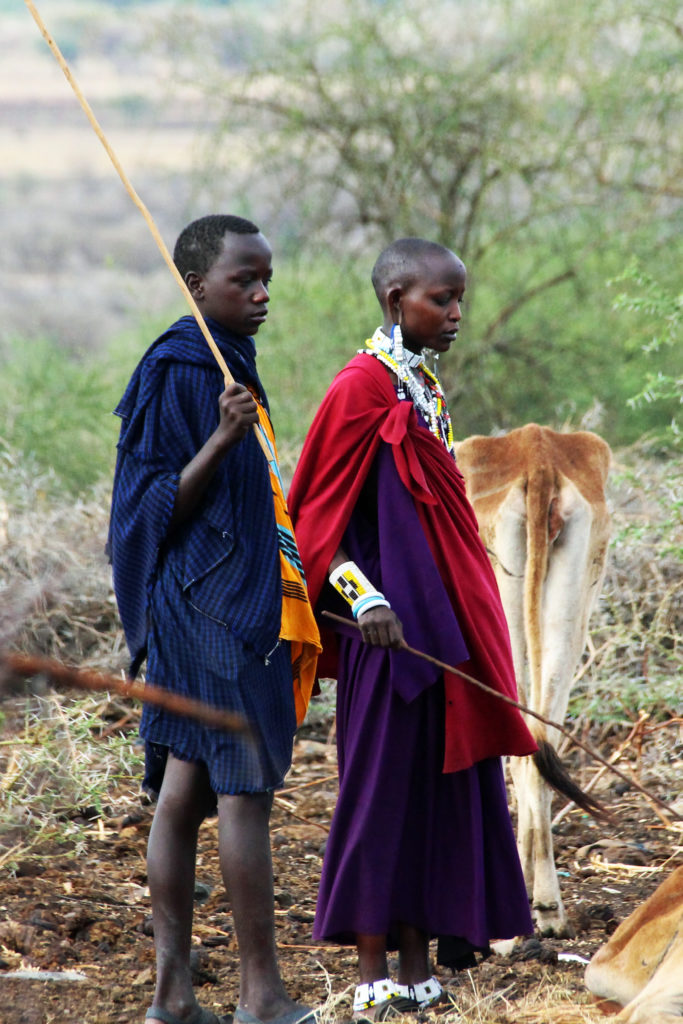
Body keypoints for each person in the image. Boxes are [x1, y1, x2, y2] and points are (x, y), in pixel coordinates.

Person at [288, 238, 537, 1020]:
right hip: (383, 640)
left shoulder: (419, 384)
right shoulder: (357, 390)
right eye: (441, 300)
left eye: (459, 298)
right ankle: (369, 965)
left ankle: (419, 960)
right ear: (397, 299)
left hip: (439, 630)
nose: (457, 313)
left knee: (437, 789)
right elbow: (318, 523)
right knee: (379, 793)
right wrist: (364, 601)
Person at [108, 214, 320, 1024]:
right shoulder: (178, 366)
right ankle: (259, 997)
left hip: (225, 599)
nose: (262, 293)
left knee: (187, 790)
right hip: (213, 608)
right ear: (197, 287)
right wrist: (223, 437)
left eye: (267, 278)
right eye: (244, 280)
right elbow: (148, 504)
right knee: (243, 795)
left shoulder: (228, 353)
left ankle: (173, 997)